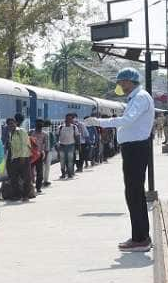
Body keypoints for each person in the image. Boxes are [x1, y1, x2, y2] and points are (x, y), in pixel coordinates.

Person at [86, 67, 155, 252]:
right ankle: (140, 236)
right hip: (133, 148)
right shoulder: (136, 97)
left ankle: (141, 239)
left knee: (134, 193)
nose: (121, 86)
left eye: (123, 82)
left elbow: (127, 120)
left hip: (136, 149)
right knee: (133, 192)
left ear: (131, 81)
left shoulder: (140, 97)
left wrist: (99, 122)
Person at [6, 115, 32, 201]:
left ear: (16, 123)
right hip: (15, 158)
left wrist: (23, 157)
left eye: (12, 123)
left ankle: (26, 195)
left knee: (26, 177)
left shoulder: (21, 131)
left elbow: (25, 144)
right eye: (9, 124)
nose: (11, 125)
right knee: (14, 177)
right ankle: (17, 195)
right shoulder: (11, 134)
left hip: (23, 158)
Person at [56, 113, 79, 179]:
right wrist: (57, 144)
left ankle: (69, 173)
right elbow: (57, 136)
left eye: (70, 119)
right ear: (65, 119)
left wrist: (78, 146)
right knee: (62, 161)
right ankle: (63, 173)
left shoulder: (74, 127)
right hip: (62, 146)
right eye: (67, 118)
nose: (68, 120)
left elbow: (77, 136)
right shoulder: (60, 127)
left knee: (70, 161)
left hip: (71, 146)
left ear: (72, 120)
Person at [30, 122, 48, 194]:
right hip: (31, 155)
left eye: (40, 127)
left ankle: (38, 187)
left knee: (39, 172)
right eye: (38, 127)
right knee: (30, 172)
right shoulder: (31, 133)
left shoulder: (45, 134)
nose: (39, 128)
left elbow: (46, 145)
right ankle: (30, 187)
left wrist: (45, 156)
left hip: (39, 155)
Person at [41, 120, 53, 187]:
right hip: (48, 151)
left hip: (39, 152)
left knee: (40, 167)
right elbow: (53, 142)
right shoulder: (49, 133)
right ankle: (45, 180)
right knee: (47, 166)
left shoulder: (38, 131)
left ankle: (40, 180)